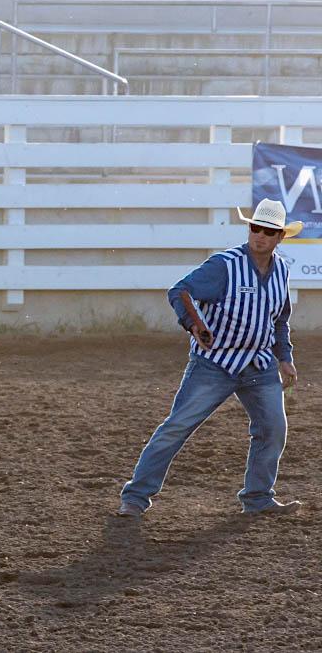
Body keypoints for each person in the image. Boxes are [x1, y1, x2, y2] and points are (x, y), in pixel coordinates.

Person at [117, 198, 302, 518]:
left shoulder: (281, 270)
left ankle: (258, 497)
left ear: (279, 238)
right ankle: (135, 496)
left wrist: (284, 357)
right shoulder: (224, 265)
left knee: (273, 428)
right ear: (249, 229)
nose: (259, 235)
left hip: (259, 363)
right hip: (214, 363)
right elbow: (180, 292)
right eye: (255, 228)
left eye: (268, 231)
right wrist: (194, 324)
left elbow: (279, 319)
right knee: (177, 426)